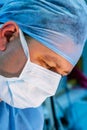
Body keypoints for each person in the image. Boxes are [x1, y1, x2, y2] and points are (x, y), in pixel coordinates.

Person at [0, 0, 87, 130]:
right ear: (7, 36)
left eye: (61, 75)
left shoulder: (28, 117)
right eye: (48, 65)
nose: (50, 89)